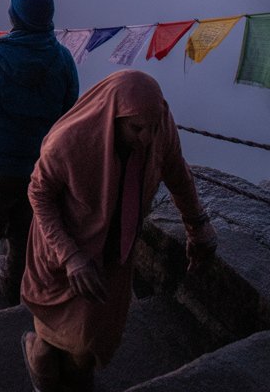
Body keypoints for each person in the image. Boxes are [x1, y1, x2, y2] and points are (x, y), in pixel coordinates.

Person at [21, 70, 217, 392]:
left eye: (151, 128)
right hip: (65, 250)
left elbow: (177, 172)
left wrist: (198, 225)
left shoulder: (158, 125)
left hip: (113, 253)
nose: (146, 138)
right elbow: (39, 193)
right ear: (114, 116)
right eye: (136, 129)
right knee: (57, 336)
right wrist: (70, 256)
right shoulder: (70, 141)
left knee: (87, 344)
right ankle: (40, 359)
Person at [0, 0, 79, 314]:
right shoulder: (63, 60)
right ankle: (13, 287)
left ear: (17, 17)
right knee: (25, 231)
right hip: (40, 169)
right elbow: (69, 117)